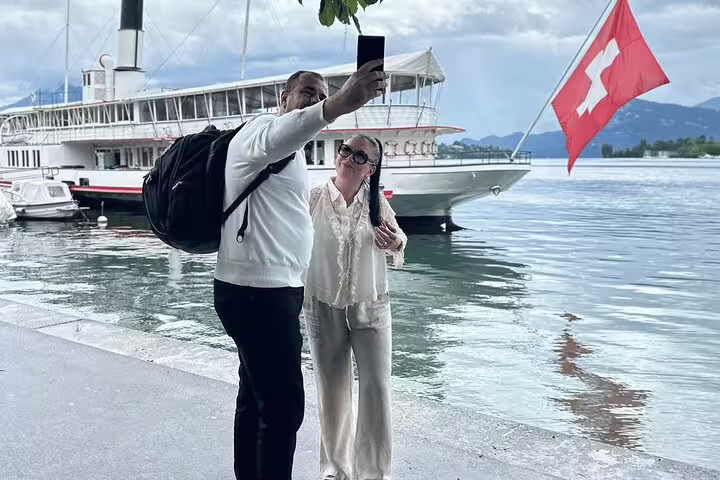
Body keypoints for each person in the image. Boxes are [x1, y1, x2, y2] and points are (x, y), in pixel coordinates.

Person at [213, 61, 387, 480]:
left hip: (265, 289)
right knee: (283, 405)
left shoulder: (286, 150)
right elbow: (287, 130)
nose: (318, 99)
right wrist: (343, 101)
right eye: (309, 92)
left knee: (255, 398)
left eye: (324, 93)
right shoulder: (262, 132)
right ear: (283, 100)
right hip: (259, 292)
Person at [304, 134, 407, 480]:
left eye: (358, 155)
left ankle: (375, 474)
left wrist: (396, 242)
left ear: (370, 169)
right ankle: (336, 470)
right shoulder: (315, 197)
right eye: (345, 149)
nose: (347, 157)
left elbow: (399, 238)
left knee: (376, 389)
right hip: (323, 305)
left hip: (371, 306)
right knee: (332, 390)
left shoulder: (376, 202)